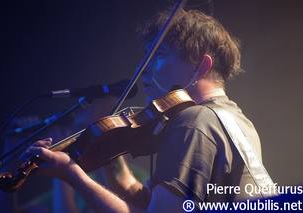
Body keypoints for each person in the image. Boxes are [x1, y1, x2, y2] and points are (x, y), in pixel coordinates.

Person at [23, 9, 264, 212]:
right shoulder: (239, 122)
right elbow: (144, 202)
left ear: (201, 66)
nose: (143, 68)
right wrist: (104, 149)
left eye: (159, 56)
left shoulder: (195, 121)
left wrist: (71, 174)